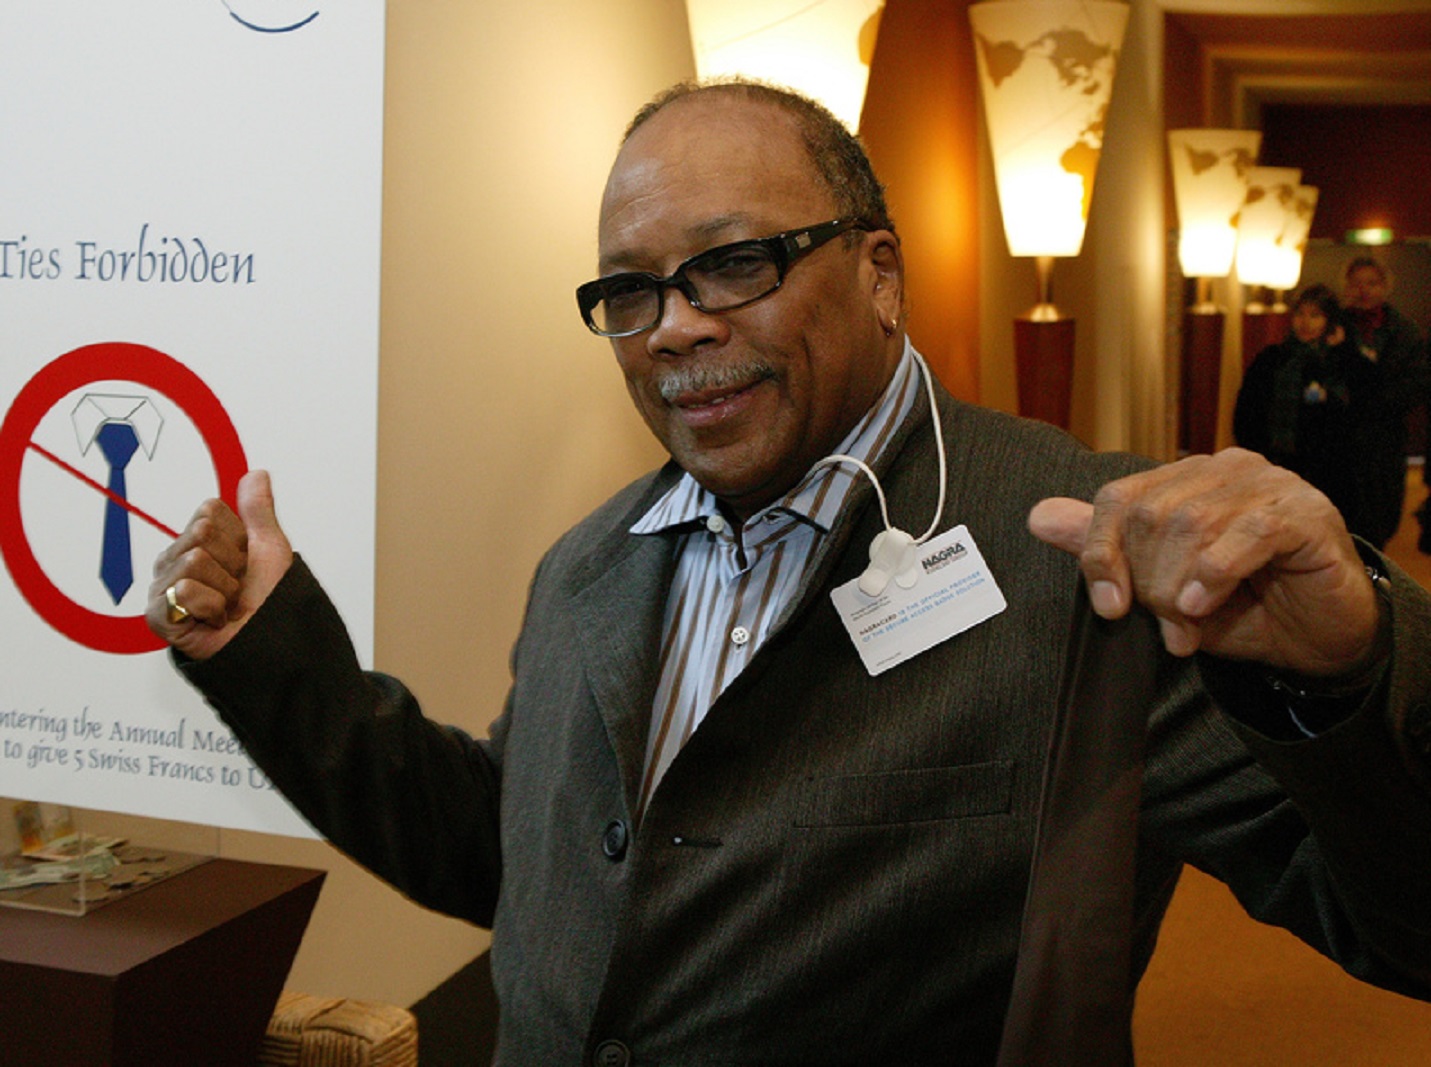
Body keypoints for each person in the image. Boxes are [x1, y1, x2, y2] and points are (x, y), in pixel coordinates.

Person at [146, 81, 1431, 1064]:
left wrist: (1353, 657)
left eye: (734, 264)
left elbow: (1402, 923)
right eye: (632, 291)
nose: (678, 326)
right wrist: (277, 656)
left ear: (881, 274)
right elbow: (517, 858)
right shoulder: (590, 568)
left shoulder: (1088, 558)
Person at [1232, 283, 1371, 538]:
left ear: (1330, 321)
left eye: (1315, 316)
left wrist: (1343, 349)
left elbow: (1364, 399)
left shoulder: (1339, 361)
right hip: (1276, 465)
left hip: (1328, 473)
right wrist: (1257, 456)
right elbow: (1247, 411)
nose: (1305, 323)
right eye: (1300, 314)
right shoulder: (1272, 359)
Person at [1340, 254, 1428, 549]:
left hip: (1386, 435)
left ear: (1386, 287)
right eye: (1357, 283)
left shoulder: (1404, 330)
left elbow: (1418, 381)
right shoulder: (1335, 327)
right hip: (1342, 436)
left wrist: (1380, 402)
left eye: (1372, 283)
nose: (1364, 290)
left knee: (1382, 511)